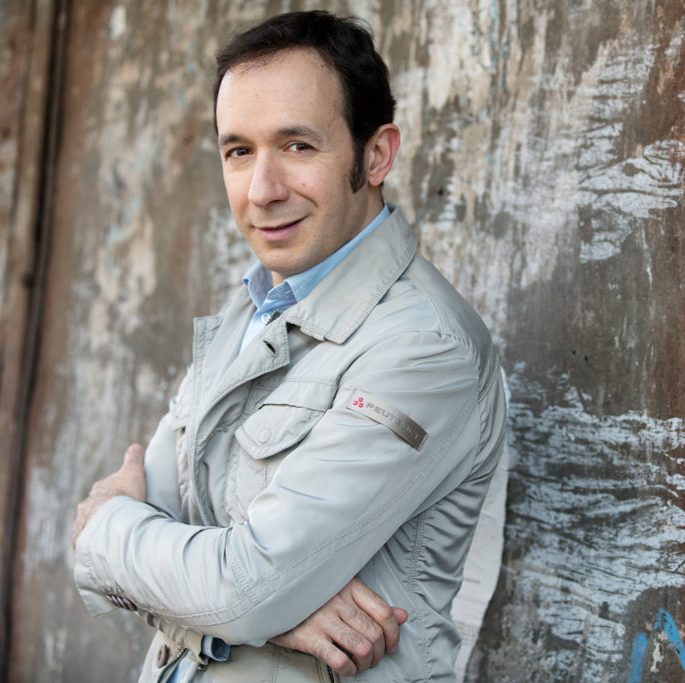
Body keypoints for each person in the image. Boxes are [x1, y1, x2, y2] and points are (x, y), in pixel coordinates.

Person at [71, 10, 507, 682]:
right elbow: (206, 577)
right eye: (239, 151)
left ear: (376, 155)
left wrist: (109, 527)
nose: (263, 191)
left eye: (298, 146)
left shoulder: (424, 347)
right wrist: (269, 612)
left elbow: (212, 577)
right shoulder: (249, 310)